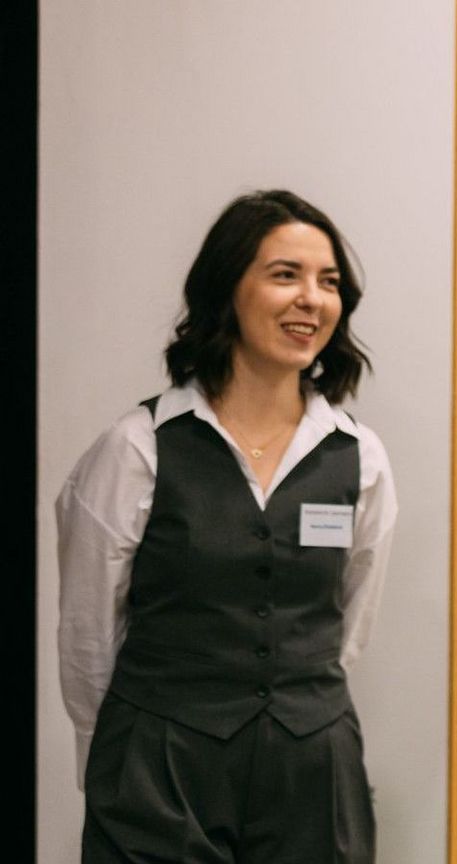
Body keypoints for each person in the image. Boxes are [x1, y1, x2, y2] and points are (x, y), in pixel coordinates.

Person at [57, 190, 398, 862]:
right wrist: (118, 763)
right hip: (160, 768)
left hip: (311, 770)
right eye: (285, 275)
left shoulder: (360, 458)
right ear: (226, 290)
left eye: (329, 282)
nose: (312, 299)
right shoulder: (137, 448)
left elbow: (348, 627)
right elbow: (88, 637)